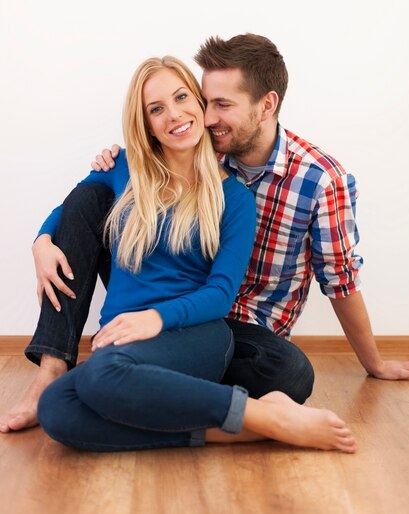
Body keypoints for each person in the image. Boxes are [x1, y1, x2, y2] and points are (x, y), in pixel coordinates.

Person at [7, 53, 357, 453]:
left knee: (101, 373)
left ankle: (264, 415)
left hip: (196, 333)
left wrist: (154, 319)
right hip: (127, 335)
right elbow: (74, 208)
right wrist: (41, 240)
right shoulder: (123, 167)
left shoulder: (233, 197)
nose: (173, 115)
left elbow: (221, 293)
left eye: (181, 98)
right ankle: (247, 427)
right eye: (157, 109)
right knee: (58, 409)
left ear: (199, 104)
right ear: (148, 125)